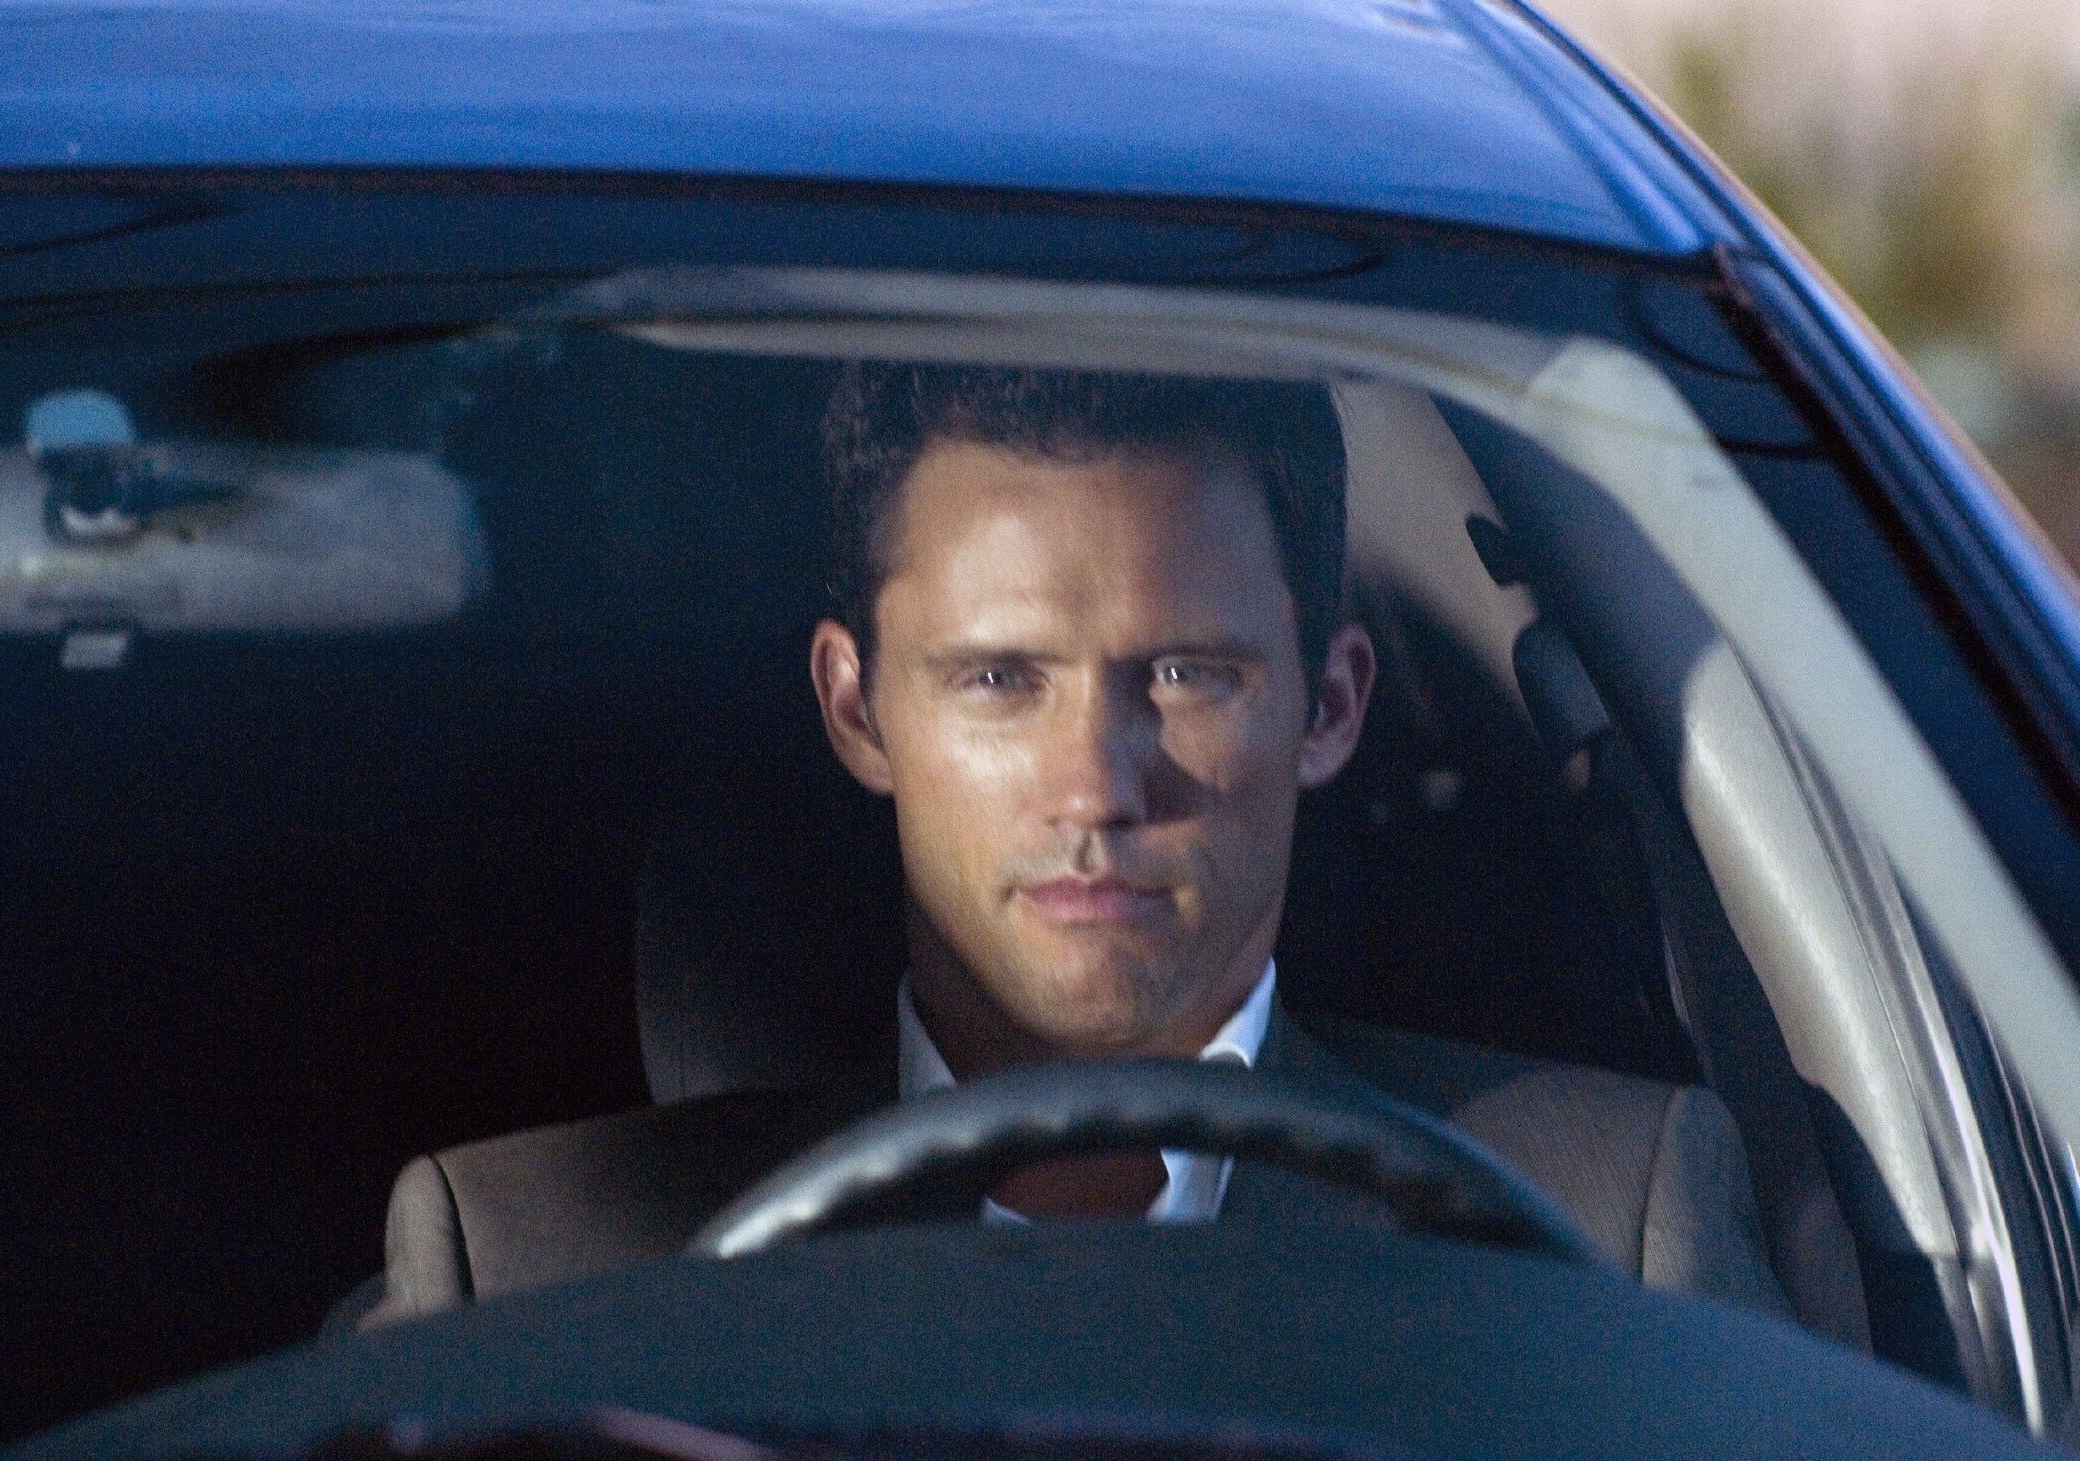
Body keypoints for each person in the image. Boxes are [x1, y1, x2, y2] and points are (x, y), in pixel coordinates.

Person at [350, 366, 1786, 1327]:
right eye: (999, 679)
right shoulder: (537, 1272)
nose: (1094, 786)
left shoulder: (1599, 1234)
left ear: (1330, 705)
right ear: (855, 709)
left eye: (1186, 675)